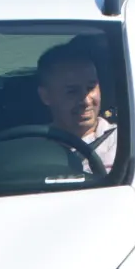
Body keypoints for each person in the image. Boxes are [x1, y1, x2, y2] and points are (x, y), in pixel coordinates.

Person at [36, 42, 117, 173]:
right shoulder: (31, 149)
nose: (85, 101)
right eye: (72, 91)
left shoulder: (125, 142)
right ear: (46, 96)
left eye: (90, 88)